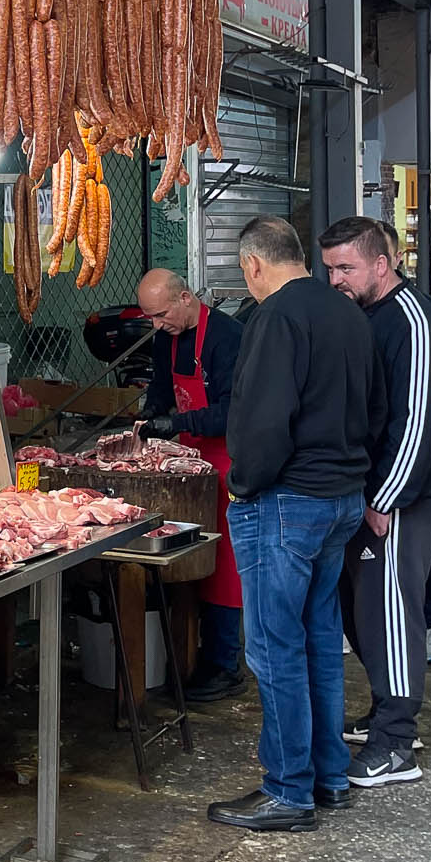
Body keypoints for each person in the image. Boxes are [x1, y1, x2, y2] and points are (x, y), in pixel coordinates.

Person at [207, 217, 373, 833]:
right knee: (319, 640)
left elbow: (264, 419)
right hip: (341, 499)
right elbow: (375, 407)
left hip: (286, 502)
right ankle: (329, 776)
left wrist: (242, 483)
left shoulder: (275, 317)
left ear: (253, 264)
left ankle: (288, 790)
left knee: (275, 647)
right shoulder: (347, 313)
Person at [320, 217, 431, 787]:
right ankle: (385, 711)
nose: (336, 280)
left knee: (391, 612)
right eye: (329, 269)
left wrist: (386, 497)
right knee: (361, 611)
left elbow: (417, 419)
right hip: (362, 489)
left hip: (399, 495)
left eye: (346, 268)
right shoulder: (362, 313)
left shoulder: (414, 320)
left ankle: (397, 744)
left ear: (381, 263)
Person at [135, 268, 246, 700]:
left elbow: (233, 410)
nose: (156, 325)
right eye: (150, 318)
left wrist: (177, 423)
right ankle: (187, 655)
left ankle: (225, 665)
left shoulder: (227, 338)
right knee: (185, 559)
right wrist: (151, 414)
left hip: (226, 463)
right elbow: (163, 387)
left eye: (161, 315)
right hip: (187, 463)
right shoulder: (167, 336)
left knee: (224, 566)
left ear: (185, 298)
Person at [375, 223, 431, 669]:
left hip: (430, 450)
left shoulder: (429, 314)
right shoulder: (353, 313)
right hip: (376, 454)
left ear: (391, 260)